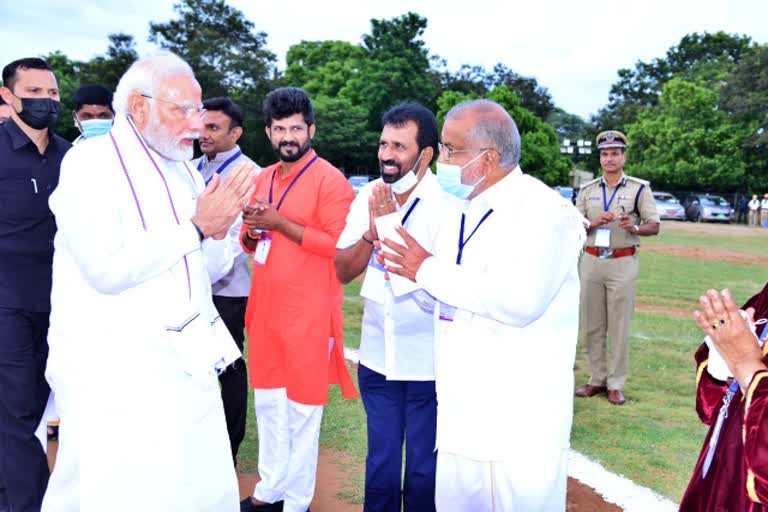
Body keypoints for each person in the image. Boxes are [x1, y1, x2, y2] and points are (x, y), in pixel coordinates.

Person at [42, 51, 255, 511]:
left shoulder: (183, 169)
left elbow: (207, 268)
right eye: (183, 110)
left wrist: (221, 232)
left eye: (198, 112)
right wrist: (197, 228)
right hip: (117, 369)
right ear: (138, 106)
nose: (196, 125)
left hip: (185, 359)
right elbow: (106, 269)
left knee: (193, 487)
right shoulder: (90, 165)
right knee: (120, 491)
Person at [380, 99, 585, 511]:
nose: (443, 160)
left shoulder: (546, 212)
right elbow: (441, 290)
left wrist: (426, 270)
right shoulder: (463, 208)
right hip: (463, 410)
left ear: (488, 158)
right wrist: (400, 252)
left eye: (452, 150)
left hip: (519, 417)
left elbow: (519, 301)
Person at [239, 87, 357, 512]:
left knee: (302, 412)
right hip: (267, 311)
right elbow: (250, 239)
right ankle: (269, 490)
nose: (288, 136)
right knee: (269, 404)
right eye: (279, 129)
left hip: (309, 314)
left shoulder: (331, 180)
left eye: (295, 128)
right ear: (268, 132)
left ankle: (297, 501)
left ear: (311, 129)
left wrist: (280, 223)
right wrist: (254, 230)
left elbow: (338, 246)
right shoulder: (263, 177)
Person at [335, 102, 442, 512]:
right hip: (378, 357)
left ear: (425, 154)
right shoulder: (368, 195)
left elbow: (438, 284)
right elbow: (343, 270)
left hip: (429, 362)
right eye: (383, 144)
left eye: (399, 146)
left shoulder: (446, 205)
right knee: (379, 464)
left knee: (422, 471)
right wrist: (371, 231)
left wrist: (391, 228)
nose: (386, 154)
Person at [0, 57, 70, 512]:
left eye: (52, 93)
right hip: (8, 305)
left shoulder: (74, 156)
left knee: (56, 410)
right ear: (8, 97)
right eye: (34, 93)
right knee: (18, 414)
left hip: (66, 307)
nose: (46, 101)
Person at [191, 95, 260, 466]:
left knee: (228, 366)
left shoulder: (249, 174)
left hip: (228, 289)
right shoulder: (190, 167)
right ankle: (199, 445)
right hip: (190, 287)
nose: (204, 133)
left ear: (236, 132)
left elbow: (236, 240)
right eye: (202, 125)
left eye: (214, 127)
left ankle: (229, 450)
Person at [574, 130, 660, 405]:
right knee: (591, 324)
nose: (609, 158)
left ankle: (615, 383)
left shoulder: (638, 189)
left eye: (614, 153)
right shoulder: (587, 190)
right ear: (600, 157)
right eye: (604, 154)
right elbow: (573, 225)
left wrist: (634, 227)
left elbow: (654, 225)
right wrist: (593, 222)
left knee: (619, 325)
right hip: (591, 261)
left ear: (623, 156)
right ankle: (595, 379)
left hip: (622, 261)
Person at [678, 286, 768, 511]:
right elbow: (714, 406)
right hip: (727, 461)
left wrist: (747, 365)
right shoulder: (765, 298)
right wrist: (725, 368)